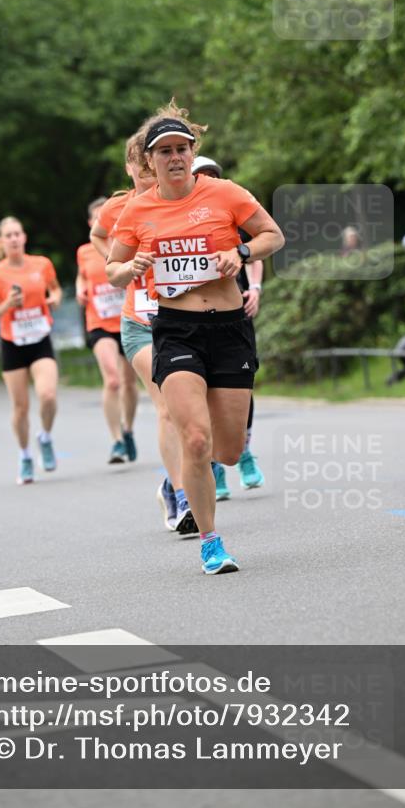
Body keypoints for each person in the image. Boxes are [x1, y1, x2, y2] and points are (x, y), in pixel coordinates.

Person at [108, 102, 284, 574]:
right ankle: (210, 541)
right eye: (163, 151)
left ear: (193, 152)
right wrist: (131, 268)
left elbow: (273, 235)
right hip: (176, 329)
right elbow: (113, 269)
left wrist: (240, 250)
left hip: (228, 329)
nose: (174, 157)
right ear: (150, 161)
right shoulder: (137, 209)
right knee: (195, 438)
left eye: (181, 148)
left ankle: (211, 447)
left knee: (225, 450)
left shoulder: (225, 194)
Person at [91, 135, 195, 534]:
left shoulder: (175, 199)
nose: (148, 170)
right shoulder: (120, 208)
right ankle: (184, 497)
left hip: (184, 318)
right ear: (130, 168)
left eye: (150, 163)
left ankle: (172, 482)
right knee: (167, 404)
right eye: (140, 164)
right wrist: (121, 263)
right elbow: (99, 238)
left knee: (195, 415)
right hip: (140, 320)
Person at [191, 156, 265, 499]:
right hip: (196, 315)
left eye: (213, 176)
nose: (208, 180)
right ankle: (215, 466)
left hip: (236, 309)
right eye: (201, 176)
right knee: (202, 390)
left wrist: (255, 289)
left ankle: (244, 449)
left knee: (241, 386)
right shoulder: (181, 216)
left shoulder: (229, 206)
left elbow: (259, 246)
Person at [0, 216, 62, 485]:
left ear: (24, 237)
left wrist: (56, 298)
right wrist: (7, 305)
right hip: (13, 344)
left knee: (48, 395)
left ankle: (46, 437)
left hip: (40, 339)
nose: (14, 239)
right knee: (20, 408)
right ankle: (25, 455)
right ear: (2, 242)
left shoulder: (42, 264)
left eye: (18, 234)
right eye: (9, 235)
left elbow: (55, 289)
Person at [76, 196, 138, 464]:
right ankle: (115, 442)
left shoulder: (128, 244)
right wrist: (80, 287)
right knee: (112, 380)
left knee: (129, 382)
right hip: (100, 323)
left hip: (128, 318)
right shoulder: (85, 251)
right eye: (98, 216)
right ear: (92, 223)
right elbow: (83, 273)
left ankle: (128, 429)